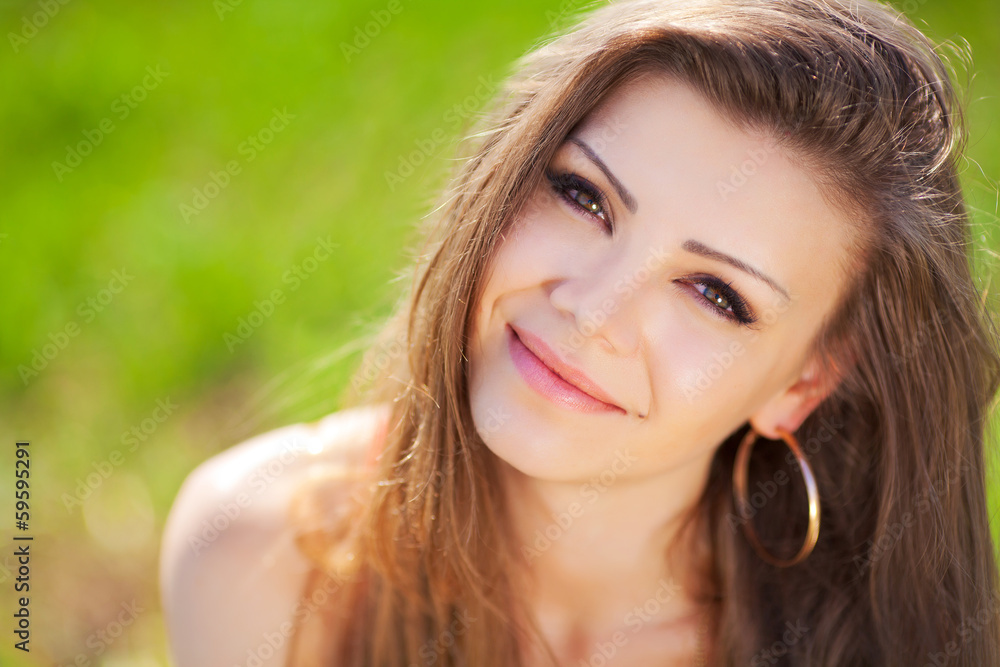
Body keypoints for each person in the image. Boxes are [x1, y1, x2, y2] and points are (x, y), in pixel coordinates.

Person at [159, 0, 1000, 664]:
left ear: (801, 386)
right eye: (583, 196)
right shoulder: (261, 556)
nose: (592, 309)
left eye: (713, 292)